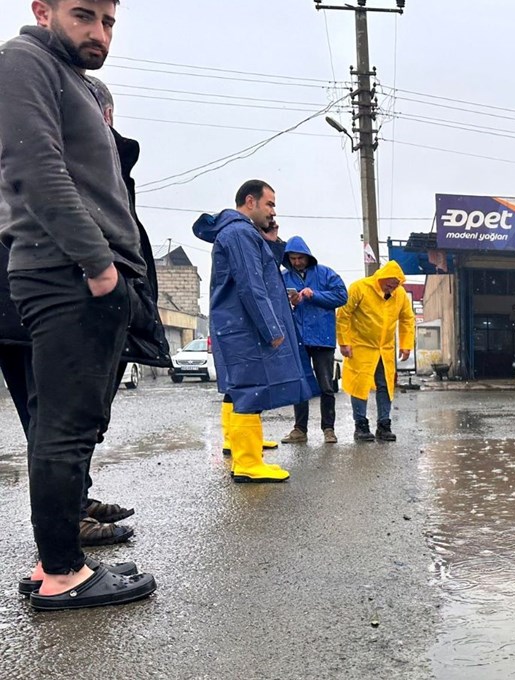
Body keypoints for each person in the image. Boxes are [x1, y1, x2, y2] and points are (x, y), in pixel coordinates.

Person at [0, 0, 158, 609]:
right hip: (67, 272)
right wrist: (99, 267)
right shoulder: (24, 59)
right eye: (83, 15)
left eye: (109, 21)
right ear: (43, 11)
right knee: (65, 430)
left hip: (79, 272)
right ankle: (65, 574)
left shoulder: (75, 81)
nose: (99, 33)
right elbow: (33, 167)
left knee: (66, 426)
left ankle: (54, 561)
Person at [193, 180, 317, 482]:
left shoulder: (244, 233)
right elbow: (251, 284)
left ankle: (244, 454)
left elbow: (261, 271)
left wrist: (272, 242)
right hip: (244, 327)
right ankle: (248, 463)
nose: (273, 211)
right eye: (270, 204)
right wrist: (272, 327)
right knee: (249, 391)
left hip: (240, 325)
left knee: (244, 391)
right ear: (251, 201)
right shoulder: (238, 232)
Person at [336, 260, 415, 443]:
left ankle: (384, 425)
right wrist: (344, 342)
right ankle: (361, 425)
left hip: (385, 349)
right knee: (359, 386)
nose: (392, 289)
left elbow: (407, 319)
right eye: (390, 285)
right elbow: (344, 314)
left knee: (385, 385)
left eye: (395, 285)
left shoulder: (400, 294)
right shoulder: (359, 288)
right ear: (381, 277)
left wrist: (406, 344)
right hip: (360, 346)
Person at [279, 237, 347, 445]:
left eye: (300, 258)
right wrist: (290, 302)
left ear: (308, 257)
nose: (297, 262)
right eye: (293, 258)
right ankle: (300, 429)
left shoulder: (326, 273)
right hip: (297, 337)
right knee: (300, 384)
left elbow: (342, 296)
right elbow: (275, 304)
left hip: (322, 337)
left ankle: (329, 429)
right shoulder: (282, 278)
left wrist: (313, 294)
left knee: (326, 385)